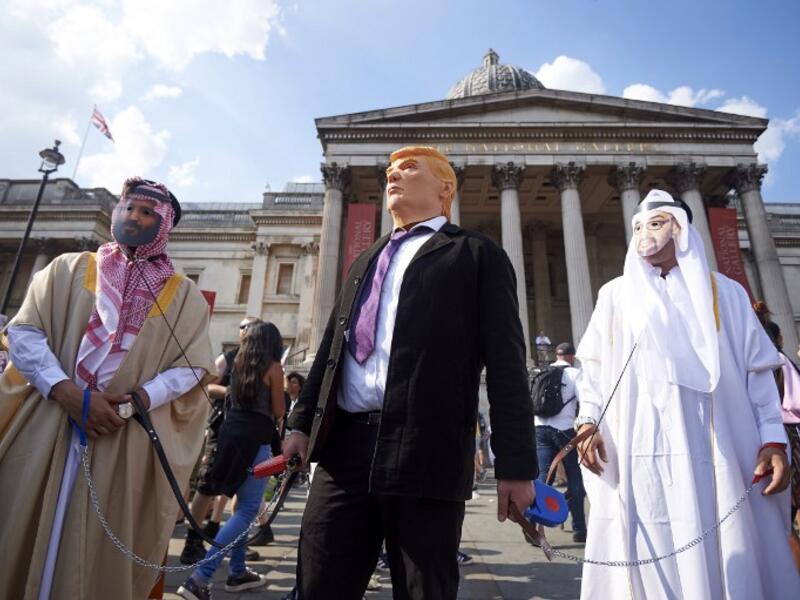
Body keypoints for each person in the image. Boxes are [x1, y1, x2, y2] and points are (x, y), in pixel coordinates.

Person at [283, 145, 537, 599]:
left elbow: (507, 366)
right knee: (319, 583)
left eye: (409, 169)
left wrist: (516, 467)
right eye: (390, 171)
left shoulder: (477, 254)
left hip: (427, 447)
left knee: (424, 589)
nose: (393, 177)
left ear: (445, 189)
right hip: (344, 450)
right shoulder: (365, 259)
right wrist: (301, 424)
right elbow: (330, 352)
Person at [575, 189, 800, 599]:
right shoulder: (615, 296)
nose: (645, 234)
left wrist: (773, 437)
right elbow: (592, 369)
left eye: (657, 224)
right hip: (640, 446)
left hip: (716, 447)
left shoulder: (726, 294)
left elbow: (757, 374)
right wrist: (588, 420)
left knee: (722, 535)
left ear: (682, 230)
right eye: (638, 226)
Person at [0, 177, 214, 599]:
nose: (134, 216)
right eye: (128, 207)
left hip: (120, 435)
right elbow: (23, 332)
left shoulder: (184, 295)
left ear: (165, 223)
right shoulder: (67, 268)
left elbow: (192, 367)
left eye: (147, 211)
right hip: (49, 421)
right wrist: (66, 392)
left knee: (99, 553)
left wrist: (133, 404)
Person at [177, 321, 286, 600]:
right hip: (256, 442)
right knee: (248, 509)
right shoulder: (274, 367)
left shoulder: (237, 362)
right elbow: (278, 409)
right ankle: (200, 579)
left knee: (238, 506)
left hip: (229, 438)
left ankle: (237, 572)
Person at [180, 316, 262, 564]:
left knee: (241, 491)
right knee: (207, 485)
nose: (247, 331)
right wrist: (231, 392)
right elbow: (204, 387)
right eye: (243, 326)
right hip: (222, 429)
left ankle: (234, 544)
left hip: (248, 435)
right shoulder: (227, 359)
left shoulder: (262, 362)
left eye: (252, 327)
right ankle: (192, 542)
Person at [533, 341, 586, 542]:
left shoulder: (541, 371)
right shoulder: (574, 374)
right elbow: (584, 401)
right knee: (574, 478)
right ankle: (579, 528)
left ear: (556, 355)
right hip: (565, 431)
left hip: (539, 428)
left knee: (543, 479)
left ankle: (534, 526)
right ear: (572, 357)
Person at [761, 319, 800, 527]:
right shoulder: (779, 360)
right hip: (789, 434)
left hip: (766, 439)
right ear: (779, 338)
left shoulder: (759, 361)